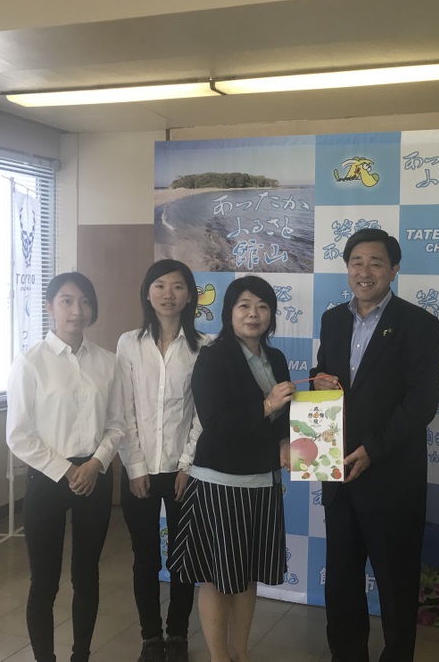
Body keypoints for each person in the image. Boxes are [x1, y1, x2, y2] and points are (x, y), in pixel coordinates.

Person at [313, 228, 439, 661]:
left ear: (394, 269)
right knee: (342, 587)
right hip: (339, 475)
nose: (364, 271)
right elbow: (324, 377)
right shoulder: (332, 319)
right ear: (347, 267)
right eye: (356, 262)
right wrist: (319, 381)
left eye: (375, 263)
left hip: (391, 481)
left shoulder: (418, 323)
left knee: (396, 587)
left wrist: (373, 449)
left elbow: (421, 402)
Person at [168, 275, 295, 662]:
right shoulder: (213, 356)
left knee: (247, 575)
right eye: (244, 306)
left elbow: (283, 415)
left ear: (271, 314)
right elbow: (217, 421)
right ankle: (219, 657)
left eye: (262, 306)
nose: (253, 314)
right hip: (219, 484)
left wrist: (286, 438)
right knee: (217, 577)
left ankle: (241, 654)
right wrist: (268, 406)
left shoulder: (275, 358)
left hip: (263, 481)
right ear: (228, 313)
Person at [6, 272, 124, 662]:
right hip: (48, 478)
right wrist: (64, 469)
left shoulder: (107, 362)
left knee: (87, 576)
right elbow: (19, 435)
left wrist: (95, 464)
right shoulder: (30, 362)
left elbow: (117, 423)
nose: (77, 310)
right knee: (44, 582)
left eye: (85, 302)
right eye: (67, 301)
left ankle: (81, 656)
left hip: (95, 475)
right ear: (50, 307)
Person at [116, 259, 210, 662]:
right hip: (139, 470)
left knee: (183, 559)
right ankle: (150, 638)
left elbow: (202, 414)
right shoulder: (128, 343)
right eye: (159, 285)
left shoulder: (204, 346)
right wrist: (135, 466)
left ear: (190, 295)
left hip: (182, 472)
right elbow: (123, 410)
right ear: (147, 292)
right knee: (145, 558)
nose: (168, 294)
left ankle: (177, 636)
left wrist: (187, 464)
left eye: (177, 286)